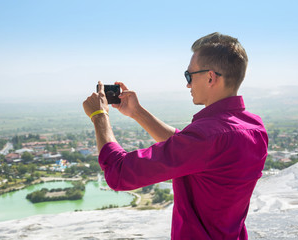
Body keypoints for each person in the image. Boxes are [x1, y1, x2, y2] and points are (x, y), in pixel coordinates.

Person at [83, 32, 268, 240]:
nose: (187, 85)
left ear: (210, 77)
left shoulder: (208, 137)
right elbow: (189, 148)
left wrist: (100, 115)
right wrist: (137, 112)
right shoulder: (255, 128)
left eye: (189, 76)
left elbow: (119, 174)